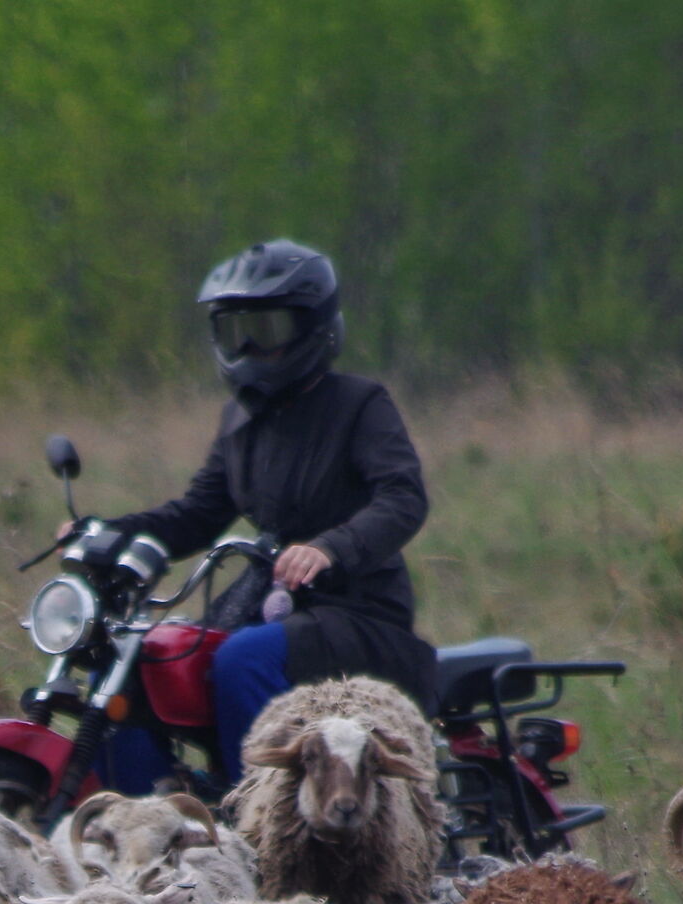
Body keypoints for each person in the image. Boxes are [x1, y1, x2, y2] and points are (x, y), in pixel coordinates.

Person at [88, 239, 437, 792]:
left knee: (242, 661)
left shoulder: (359, 404)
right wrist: (104, 532)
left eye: (266, 330)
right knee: (146, 660)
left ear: (312, 328)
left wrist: (330, 548)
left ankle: (258, 817)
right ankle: (146, 821)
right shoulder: (241, 420)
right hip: (269, 605)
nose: (249, 346)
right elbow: (198, 514)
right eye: (234, 331)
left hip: (357, 612)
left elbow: (402, 497)